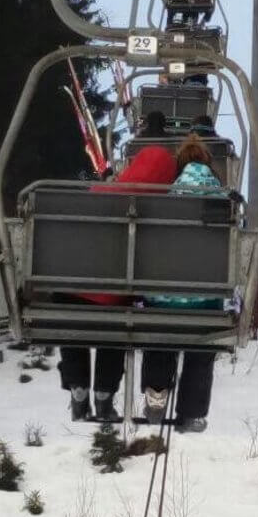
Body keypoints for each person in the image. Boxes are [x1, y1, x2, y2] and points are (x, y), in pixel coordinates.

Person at [57, 110, 177, 420]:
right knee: (117, 321)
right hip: (113, 294)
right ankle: (103, 393)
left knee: (70, 322)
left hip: (70, 287)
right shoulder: (159, 208)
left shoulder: (103, 194)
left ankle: (77, 386)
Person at [140, 134, 227, 432]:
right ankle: (192, 411)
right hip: (207, 297)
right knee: (202, 345)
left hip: (164, 293)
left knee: (161, 331)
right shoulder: (225, 203)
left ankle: (156, 392)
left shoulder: (163, 198)